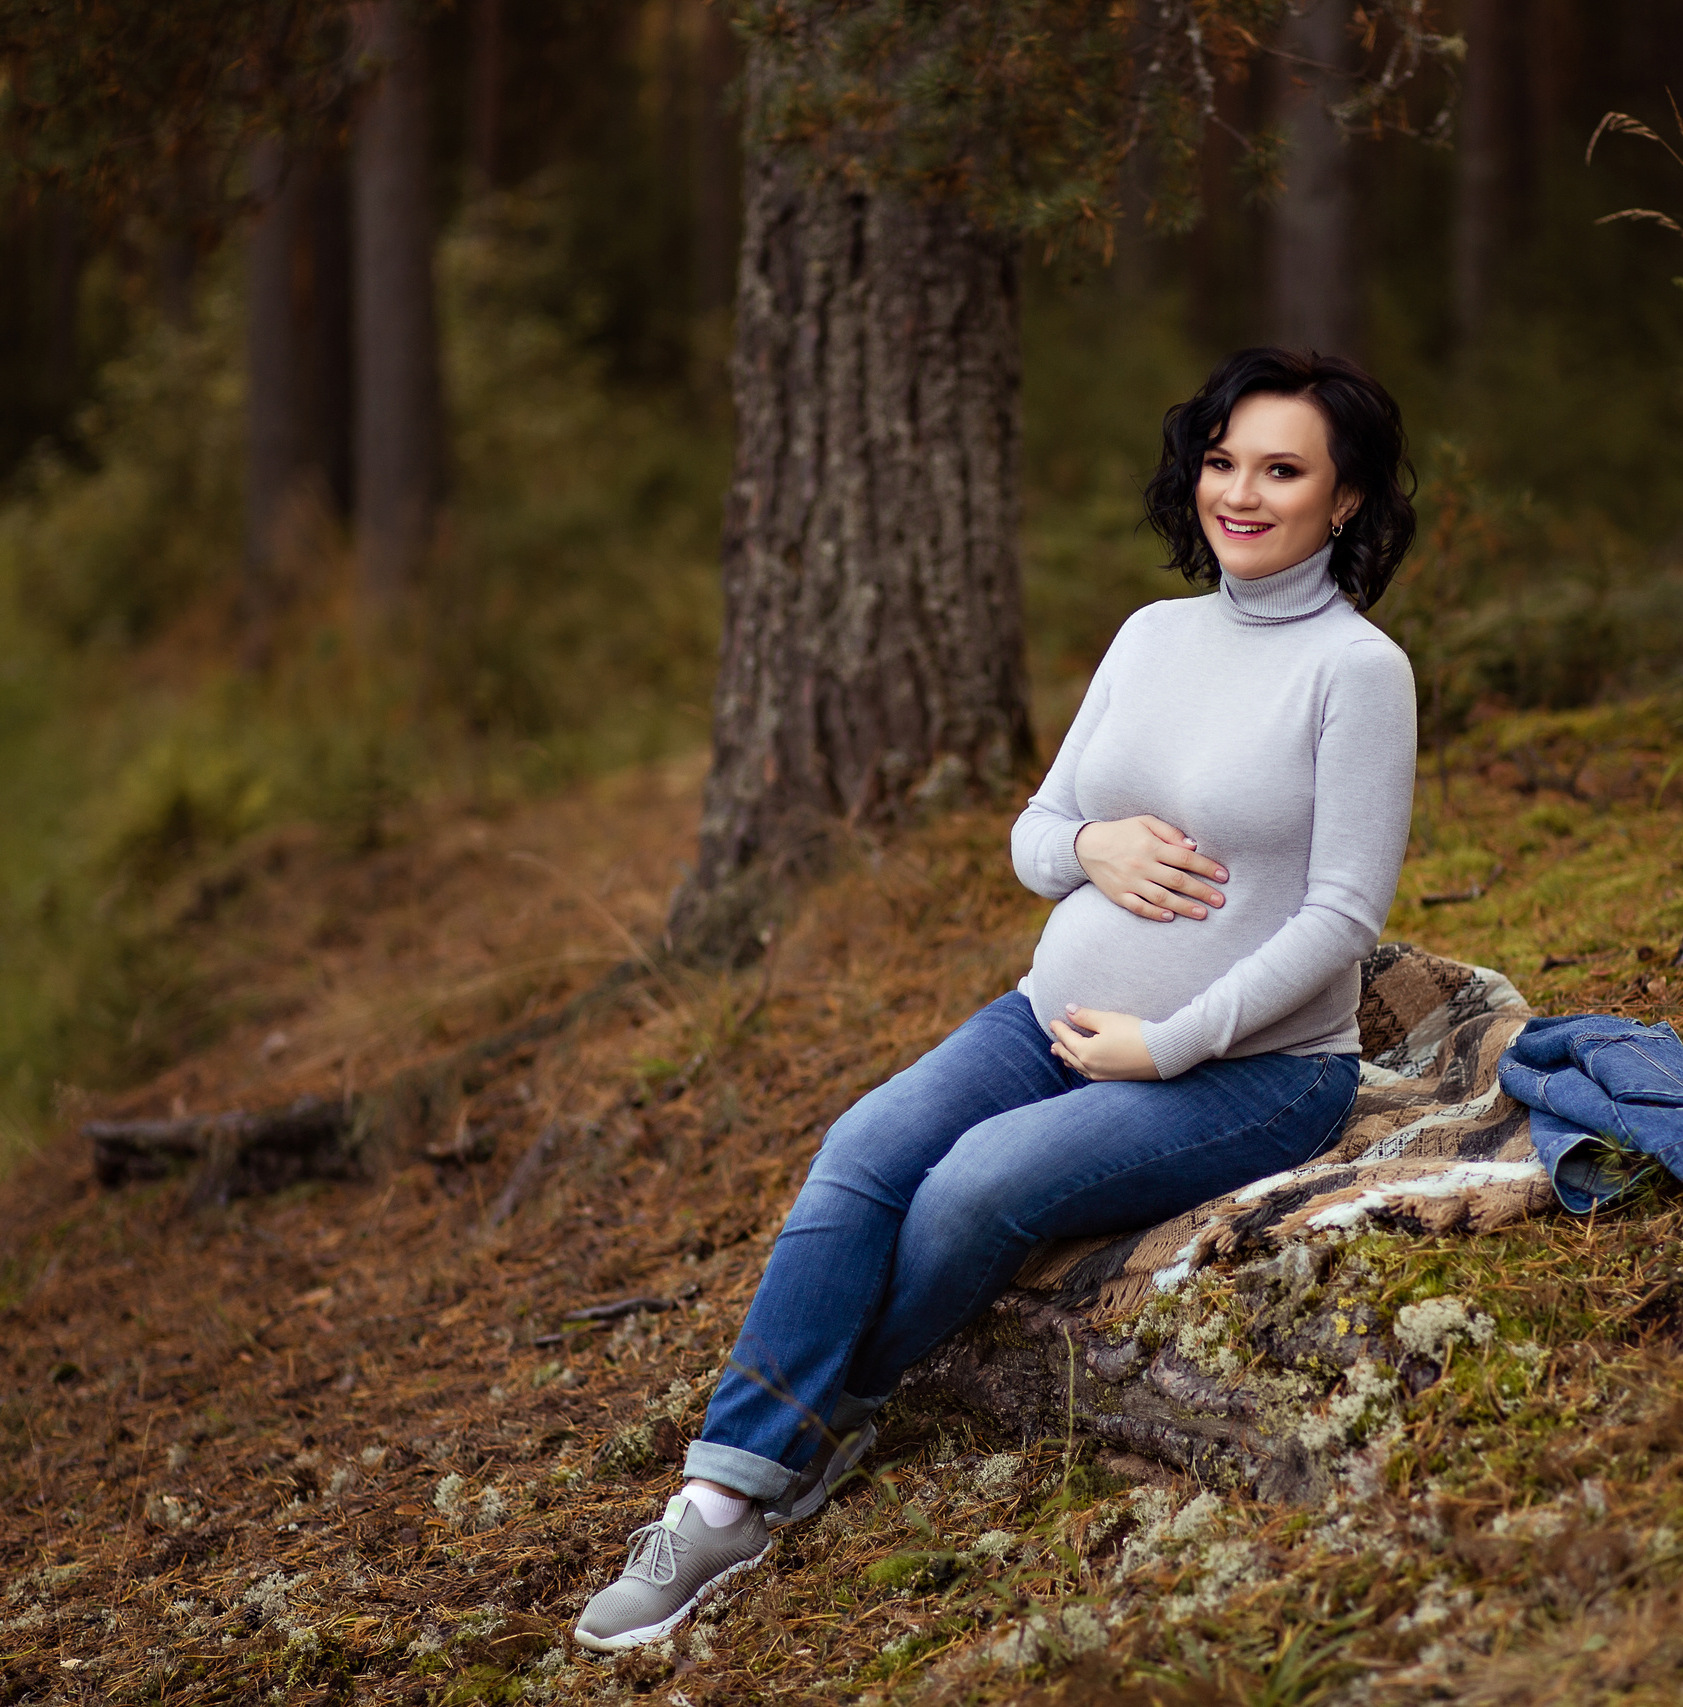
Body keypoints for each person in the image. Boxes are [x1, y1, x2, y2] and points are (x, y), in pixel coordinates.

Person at [574, 347, 1420, 1651]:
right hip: (1044, 1020)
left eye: (1281, 471)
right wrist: (1092, 847)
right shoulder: (1152, 636)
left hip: (1253, 1073)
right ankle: (720, 1500)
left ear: (1346, 497)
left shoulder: (1358, 671)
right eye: (1221, 461)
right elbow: (1034, 833)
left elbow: (1343, 920)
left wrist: (1168, 1042)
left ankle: (790, 1439)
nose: (1240, 494)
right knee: (863, 1148)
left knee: (977, 1185)